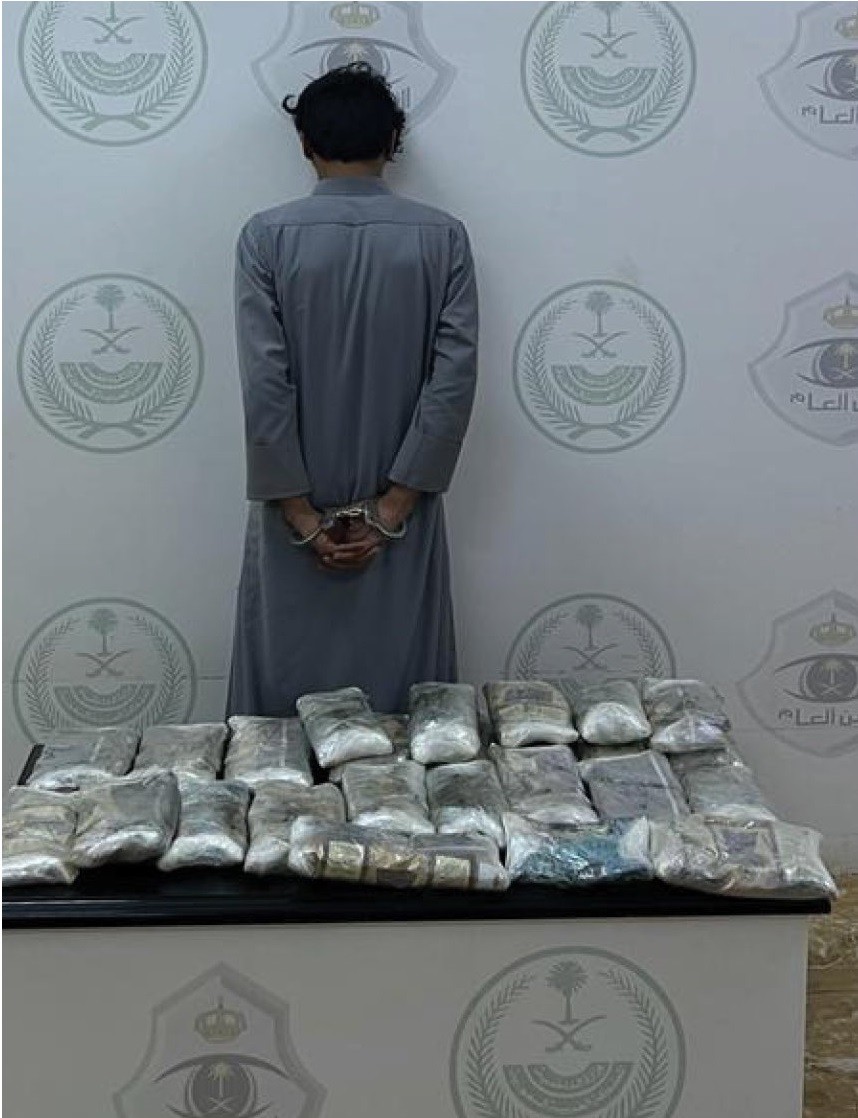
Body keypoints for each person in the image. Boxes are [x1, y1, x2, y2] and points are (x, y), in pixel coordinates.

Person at [226, 63, 479, 717]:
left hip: (296, 516)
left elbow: (265, 382)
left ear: (304, 143)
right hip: (401, 516)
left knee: (280, 725)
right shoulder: (442, 238)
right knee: (412, 719)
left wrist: (302, 518)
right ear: (393, 140)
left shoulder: (265, 238)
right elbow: (452, 380)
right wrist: (392, 509)